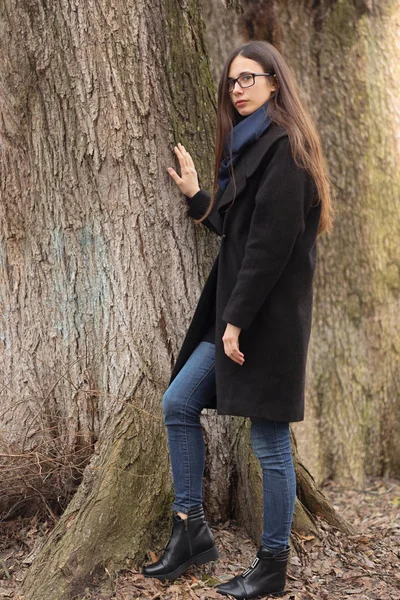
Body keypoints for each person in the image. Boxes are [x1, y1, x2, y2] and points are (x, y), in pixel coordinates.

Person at [142, 40, 333, 599]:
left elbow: (270, 249)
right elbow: (236, 224)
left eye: (249, 78)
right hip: (237, 316)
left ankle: (272, 565)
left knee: (270, 445)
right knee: (178, 402)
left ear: (276, 82)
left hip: (266, 324)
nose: (239, 89)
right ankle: (191, 531)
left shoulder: (289, 152)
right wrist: (199, 194)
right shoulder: (251, 147)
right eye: (232, 82)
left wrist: (235, 322)